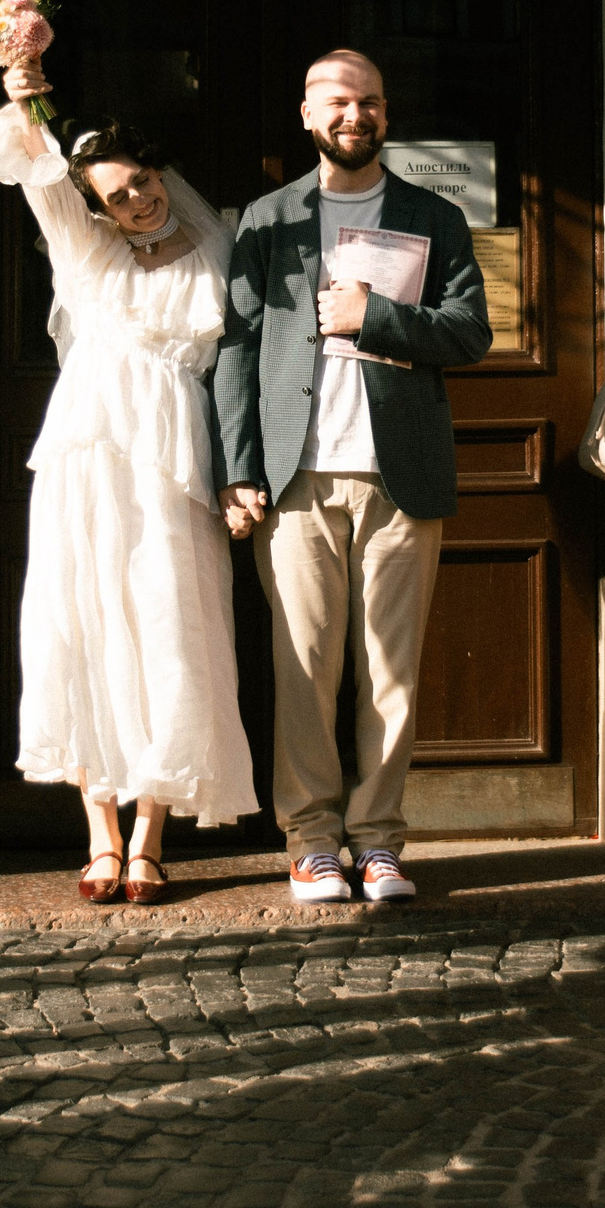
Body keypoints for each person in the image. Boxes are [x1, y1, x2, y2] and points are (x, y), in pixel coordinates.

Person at [215, 50, 492, 905]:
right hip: (298, 476)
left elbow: (470, 330)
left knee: (391, 670)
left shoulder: (432, 216)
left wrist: (375, 314)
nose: (355, 114)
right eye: (339, 101)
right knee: (303, 665)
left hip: (398, 473)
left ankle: (377, 842)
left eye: (369, 101)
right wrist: (238, 469)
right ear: (306, 113)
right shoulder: (269, 219)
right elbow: (234, 347)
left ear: (385, 113)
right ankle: (311, 841)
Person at [0, 66, 258, 901]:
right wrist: (20, 74)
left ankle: (149, 836)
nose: (136, 201)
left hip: (173, 454)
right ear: (94, 207)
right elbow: (32, 161)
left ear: (159, 170)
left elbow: (242, 359)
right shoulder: (82, 243)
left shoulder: (222, 241)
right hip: (87, 453)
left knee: (171, 625)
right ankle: (99, 833)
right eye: (116, 195)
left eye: (141, 181)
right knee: (85, 621)